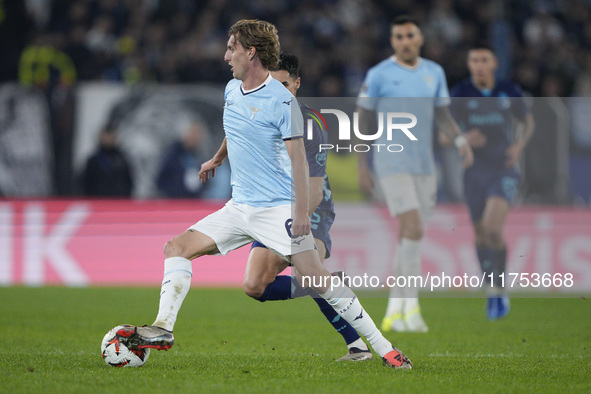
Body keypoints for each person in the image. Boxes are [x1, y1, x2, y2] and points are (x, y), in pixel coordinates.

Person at [116, 19, 411, 369]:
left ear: (250, 52)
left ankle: (386, 350)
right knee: (176, 248)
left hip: (276, 211)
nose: (226, 55)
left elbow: (299, 161)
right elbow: (236, 125)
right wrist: (218, 156)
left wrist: (301, 213)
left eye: (231, 48)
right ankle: (163, 328)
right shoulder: (231, 89)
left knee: (316, 279)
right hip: (239, 207)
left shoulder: (281, 101)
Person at [240, 53, 371, 361]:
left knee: (309, 273)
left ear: (297, 85)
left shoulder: (310, 124)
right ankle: (327, 284)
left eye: (285, 85)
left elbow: (312, 188)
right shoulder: (259, 118)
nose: (278, 91)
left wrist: (297, 220)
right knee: (254, 285)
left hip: (310, 207)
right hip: (275, 209)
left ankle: (358, 346)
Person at [356, 15, 473, 333]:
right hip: (391, 163)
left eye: (410, 35)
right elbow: (362, 120)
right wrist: (362, 165)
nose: (405, 41)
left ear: (419, 38)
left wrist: (460, 139)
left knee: (412, 237)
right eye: (398, 37)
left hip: (425, 165)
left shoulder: (434, 73)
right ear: (393, 42)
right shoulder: (379, 74)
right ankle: (412, 307)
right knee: (412, 228)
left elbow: (443, 113)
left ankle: (395, 309)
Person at [449, 43, 534, 319]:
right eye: (474, 60)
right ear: (469, 64)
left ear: (494, 63)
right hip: (474, 171)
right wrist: (463, 140)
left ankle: (500, 289)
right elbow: (442, 133)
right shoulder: (460, 94)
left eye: (484, 59)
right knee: (480, 234)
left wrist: (519, 146)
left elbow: (528, 121)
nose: (479, 65)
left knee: (492, 227)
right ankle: (492, 290)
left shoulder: (508, 91)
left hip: (503, 168)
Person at [156, 120, 209, 198]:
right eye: (192, 134)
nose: (195, 138)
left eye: (197, 135)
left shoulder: (199, 155)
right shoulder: (173, 154)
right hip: (175, 201)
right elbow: (161, 178)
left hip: (194, 201)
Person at [82, 126, 133, 197]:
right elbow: (86, 182)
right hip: (97, 201)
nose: (108, 139)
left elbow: (128, 182)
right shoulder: (93, 160)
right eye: (106, 136)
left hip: (118, 201)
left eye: (110, 136)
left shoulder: (122, 159)